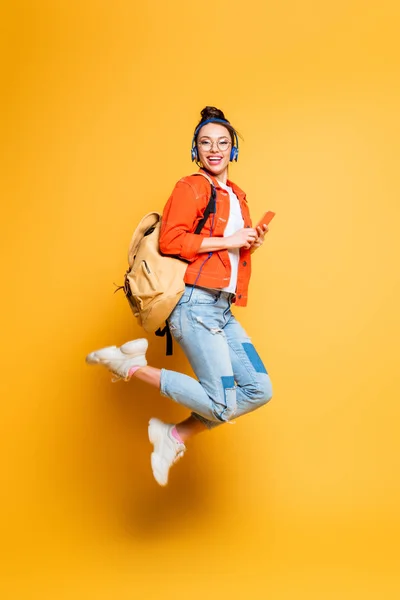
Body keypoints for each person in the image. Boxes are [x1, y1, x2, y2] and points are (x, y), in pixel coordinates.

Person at [86, 106, 273, 486]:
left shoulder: (236, 194)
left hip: (222, 309)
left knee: (258, 390)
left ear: (233, 150)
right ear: (196, 149)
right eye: (206, 143)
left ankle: (173, 436)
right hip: (195, 306)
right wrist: (231, 239)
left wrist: (250, 242)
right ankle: (128, 365)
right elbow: (172, 240)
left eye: (223, 143)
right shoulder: (191, 186)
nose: (215, 149)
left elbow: (228, 253)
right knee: (222, 403)